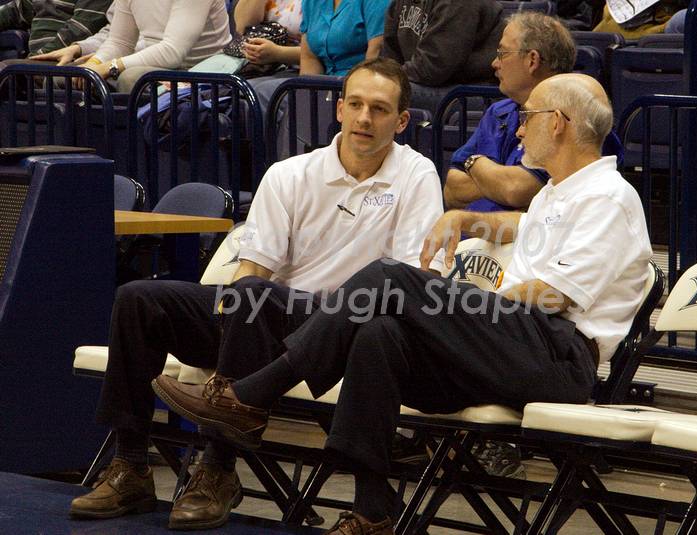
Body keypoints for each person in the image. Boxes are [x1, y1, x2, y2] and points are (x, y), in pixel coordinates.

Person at [152, 73, 654, 535]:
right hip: (513, 344)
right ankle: (373, 510)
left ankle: (253, 394)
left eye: (527, 117)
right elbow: (525, 229)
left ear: (560, 125)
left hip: (557, 357)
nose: (518, 130)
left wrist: (463, 306)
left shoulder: (608, 197)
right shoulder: (558, 193)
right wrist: (466, 221)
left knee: (393, 278)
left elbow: (553, 294)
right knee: (378, 336)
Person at [69, 57, 445, 531]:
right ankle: (129, 467)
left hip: (346, 328)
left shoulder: (416, 176)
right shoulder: (289, 174)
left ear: (402, 120)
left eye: (380, 109)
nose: (365, 118)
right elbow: (255, 268)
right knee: (141, 298)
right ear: (338, 108)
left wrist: (249, 303)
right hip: (266, 316)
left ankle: (217, 469)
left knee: (255, 299)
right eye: (356, 104)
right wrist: (230, 314)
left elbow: (406, 282)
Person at [445, 12, 621, 214]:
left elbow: (516, 190)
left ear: (532, 60)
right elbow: (452, 190)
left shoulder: (576, 117)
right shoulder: (497, 113)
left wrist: (474, 164)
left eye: (502, 53)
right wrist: (502, 181)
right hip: (474, 239)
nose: (494, 63)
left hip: (531, 239)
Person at [66, 0, 231, 93]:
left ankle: (137, 150)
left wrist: (110, 66)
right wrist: (95, 63)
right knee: (69, 74)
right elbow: (120, 42)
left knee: (132, 77)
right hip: (158, 65)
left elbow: (173, 51)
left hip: (205, 74)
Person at [381, 0, 504, 112]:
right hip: (428, 82)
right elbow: (389, 55)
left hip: (473, 90)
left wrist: (388, 80)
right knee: (374, 87)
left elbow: (433, 67)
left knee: (383, 92)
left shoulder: (461, 4)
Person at [29, 2, 146, 66]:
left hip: (143, 64)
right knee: (15, 71)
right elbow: (115, 36)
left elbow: (157, 43)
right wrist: (78, 48)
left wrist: (107, 60)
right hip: (113, 57)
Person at [299, 0, 391, 76]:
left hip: (361, 83)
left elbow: (376, 56)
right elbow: (310, 58)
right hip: (324, 87)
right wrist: (309, 94)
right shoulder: (310, 2)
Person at [0, 0, 111, 56]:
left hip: (69, 59)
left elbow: (80, 30)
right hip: (39, 59)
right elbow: (16, 11)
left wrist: (38, 57)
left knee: (6, 73)